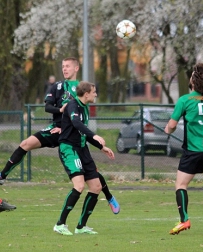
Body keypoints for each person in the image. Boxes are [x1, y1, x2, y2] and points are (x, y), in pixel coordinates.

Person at [0, 57, 120, 214]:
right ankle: (3, 175)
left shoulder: (82, 89)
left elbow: (79, 120)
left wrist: (99, 144)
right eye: (63, 66)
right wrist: (60, 111)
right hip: (56, 129)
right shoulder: (57, 86)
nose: (65, 69)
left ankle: (109, 197)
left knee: (91, 172)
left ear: (76, 68)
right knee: (25, 144)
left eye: (68, 66)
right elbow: (48, 107)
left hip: (71, 132)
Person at [164, 63, 203, 235]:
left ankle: (184, 220)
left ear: (193, 81)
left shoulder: (185, 100)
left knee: (181, 184)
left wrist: (168, 129)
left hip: (193, 150)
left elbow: (171, 125)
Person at [53, 81, 114, 235]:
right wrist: (95, 134)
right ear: (86, 93)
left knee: (96, 187)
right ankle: (60, 224)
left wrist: (102, 147)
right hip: (69, 149)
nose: (96, 94)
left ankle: (81, 227)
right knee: (79, 186)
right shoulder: (73, 105)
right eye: (94, 92)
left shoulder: (85, 108)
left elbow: (83, 133)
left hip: (82, 149)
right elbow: (76, 123)